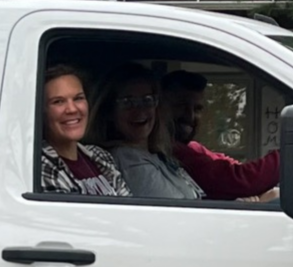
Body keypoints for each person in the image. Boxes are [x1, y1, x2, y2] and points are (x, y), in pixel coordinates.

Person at [88, 63, 204, 199]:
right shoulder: (128, 158)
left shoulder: (157, 155)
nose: (140, 110)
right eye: (128, 102)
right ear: (109, 111)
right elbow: (174, 208)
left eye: (147, 100)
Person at [162, 70, 280, 201]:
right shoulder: (169, 151)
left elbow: (232, 168)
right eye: (180, 106)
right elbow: (237, 180)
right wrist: (290, 155)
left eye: (197, 109)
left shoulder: (192, 148)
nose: (190, 116)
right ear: (159, 107)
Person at [41, 64, 131, 196]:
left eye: (78, 98)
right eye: (58, 102)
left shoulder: (101, 156)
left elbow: (127, 204)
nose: (72, 109)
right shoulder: (42, 167)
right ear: (41, 111)